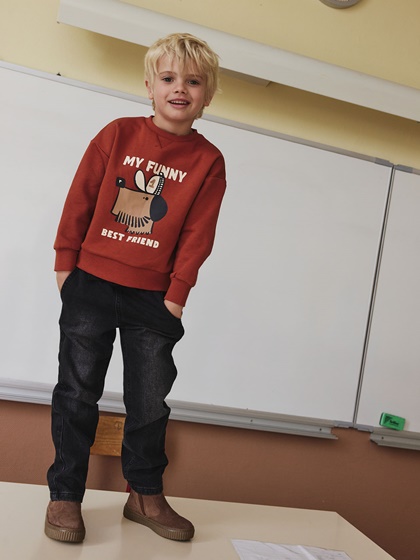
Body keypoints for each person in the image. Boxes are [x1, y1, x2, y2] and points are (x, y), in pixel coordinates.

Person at [44, 32, 226, 544]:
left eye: (193, 82)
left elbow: (198, 233)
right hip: (91, 284)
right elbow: (80, 197)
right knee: (77, 392)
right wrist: (65, 263)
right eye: (168, 78)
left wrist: (177, 294)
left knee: (150, 403)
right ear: (149, 85)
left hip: (154, 299)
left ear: (208, 96)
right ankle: (65, 495)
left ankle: (144, 495)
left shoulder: (209, 161)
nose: (179, 89)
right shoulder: (118, 134)